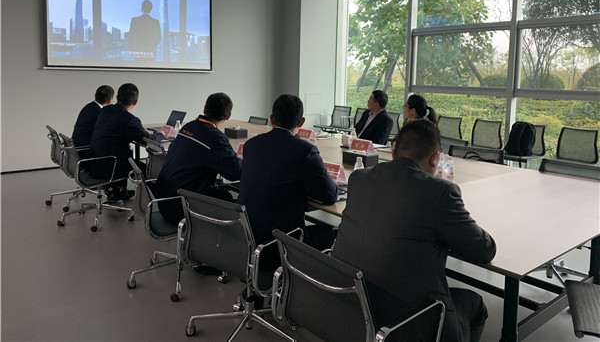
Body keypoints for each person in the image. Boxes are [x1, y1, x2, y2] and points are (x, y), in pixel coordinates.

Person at [332, 120, 496, 342]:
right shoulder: (440, 192)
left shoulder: (359, 178)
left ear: (393, 151)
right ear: (434, 159)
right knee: (475, 305)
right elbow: (484, 250)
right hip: (404, 319)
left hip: (347, 302)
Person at [237, 94, 338, 258]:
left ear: (272, 118)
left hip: (248, 237)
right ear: (301, 122)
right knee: (331, 233)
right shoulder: (305, 151)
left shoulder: (251, 145)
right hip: (283, 244)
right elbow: (330, 196)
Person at [153, 92, 242, 225]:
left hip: (164, 200)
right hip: (182, 208)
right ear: (228, 116)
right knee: (230, 199)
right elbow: (235, 172)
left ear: (205, 108)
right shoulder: (215, 138)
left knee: (222, 194)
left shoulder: (188, 127)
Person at [90, 83, 166, 200]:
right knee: (147, 171)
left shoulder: (106, 110)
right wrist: (162, 134)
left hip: (96, 160)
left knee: (130, 159)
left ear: (117, 97)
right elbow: (148, 141)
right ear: (136, 101)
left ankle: (118, 191)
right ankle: (164, 201)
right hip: (111, 165)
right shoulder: (130, 120)